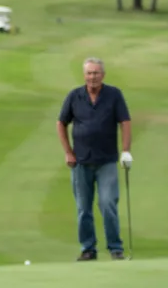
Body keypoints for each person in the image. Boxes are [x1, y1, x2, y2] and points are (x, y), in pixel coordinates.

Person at [57, 57, 133, 261]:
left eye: (96, 73)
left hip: (106, 160)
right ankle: (88, 249)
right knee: (83, 208)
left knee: (108, 203)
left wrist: (126, 151)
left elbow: (125, 122)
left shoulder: (114, 95)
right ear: (84, 75)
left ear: (103, 75)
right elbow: (61, 123)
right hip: (80, 161)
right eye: (89, 73)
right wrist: (68, 151)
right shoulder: (74, 96)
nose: (93, 77)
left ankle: (115, 248)